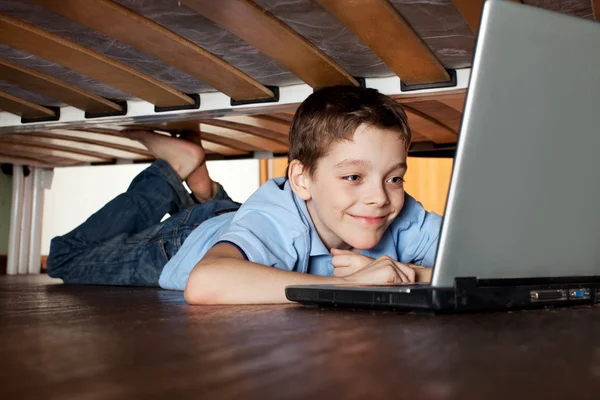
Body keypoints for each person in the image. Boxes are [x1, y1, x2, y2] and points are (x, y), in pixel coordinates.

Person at [47, 86, 442, 305]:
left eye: (395, 178)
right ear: (302, 180)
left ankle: (203, 189)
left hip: (236, 218)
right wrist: (353, 286)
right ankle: (171, 171)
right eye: (354, 176)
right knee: (65, 257)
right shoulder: (281, 221)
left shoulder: (397, 212)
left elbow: (488, 257)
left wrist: (411, 274)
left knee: (235, 219)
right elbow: (206, 283)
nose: (379, 197)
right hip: (184, 241)